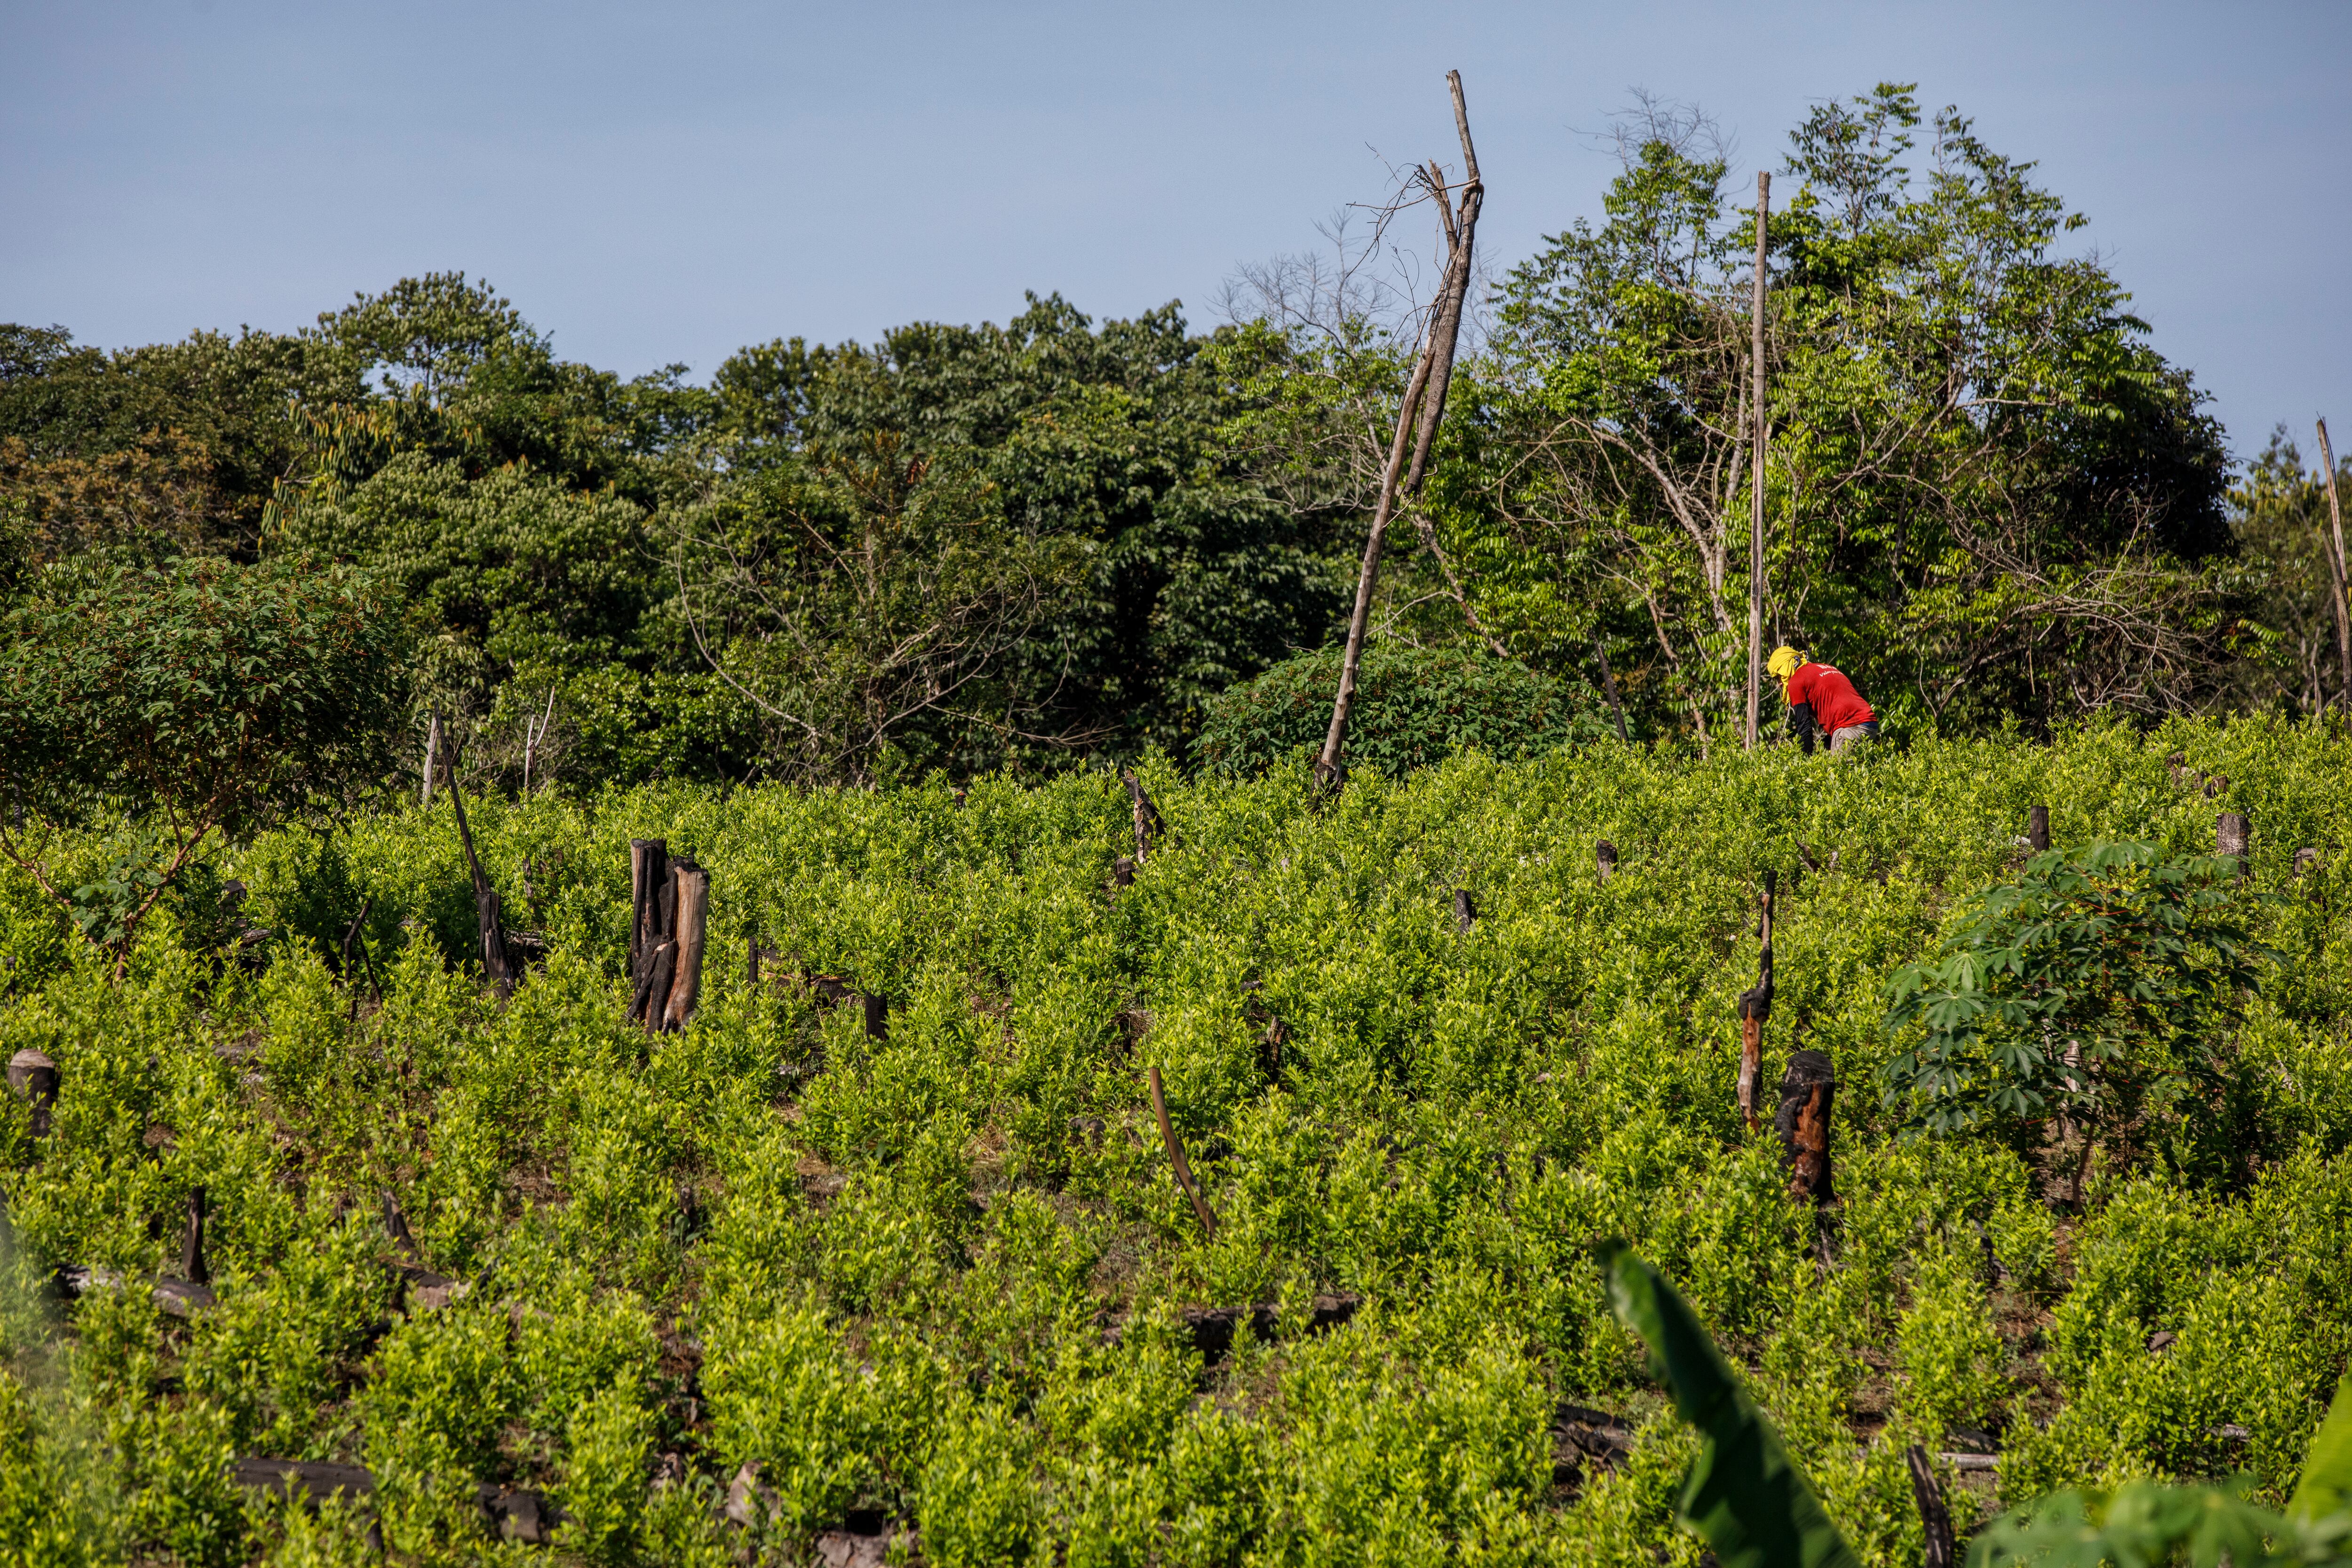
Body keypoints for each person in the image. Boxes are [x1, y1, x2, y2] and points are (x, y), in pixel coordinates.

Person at [1766, 646, 1877, 754]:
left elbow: (1804, 727)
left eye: (1778, 677)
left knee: (1837, 772)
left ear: (1787, 666)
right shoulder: (1825, 667)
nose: (1779, 683)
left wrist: (1803, 765)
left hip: (1849, 728)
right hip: (1871, 724)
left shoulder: (1796, 681)